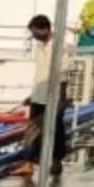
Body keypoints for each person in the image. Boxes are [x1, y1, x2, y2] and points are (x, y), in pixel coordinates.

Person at [25, 12, 70, 177]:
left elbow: (63, 73)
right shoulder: (40, 47)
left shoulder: (59, 47)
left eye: (35, 32)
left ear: (44, 30)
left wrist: (62, 98)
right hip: (39, 96)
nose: (33, 36)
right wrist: (32, 95)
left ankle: (56, 161)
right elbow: (40, 73)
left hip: (53, 97)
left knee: (56, 130)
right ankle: (30, 162)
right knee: (34, 129)